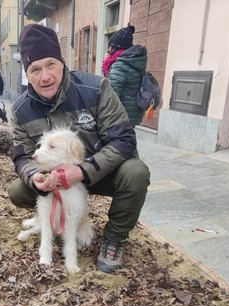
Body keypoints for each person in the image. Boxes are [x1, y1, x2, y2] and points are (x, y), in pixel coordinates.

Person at [8, 24, 150, 274]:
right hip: (56, 179)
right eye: (35, 69)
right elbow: (21, 155)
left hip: (102, 172)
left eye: (51, 64)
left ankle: (113, 239)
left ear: (62, 62)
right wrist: (35, 177)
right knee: (20, 190)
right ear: (27, 74)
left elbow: (124, 140)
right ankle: (49, 225)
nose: (45, 76)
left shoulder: (96, 89)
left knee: (136, 173)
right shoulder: (20, 110)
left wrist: (82, 171)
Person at [104, 25, 148, 127]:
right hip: (134, 113)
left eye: (110, 46)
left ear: (116, 48)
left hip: (121, 115)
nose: (108, 50)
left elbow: (112, 96)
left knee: (120, 141)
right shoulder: (134, 60)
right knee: (128, 139)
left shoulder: (120, 66)